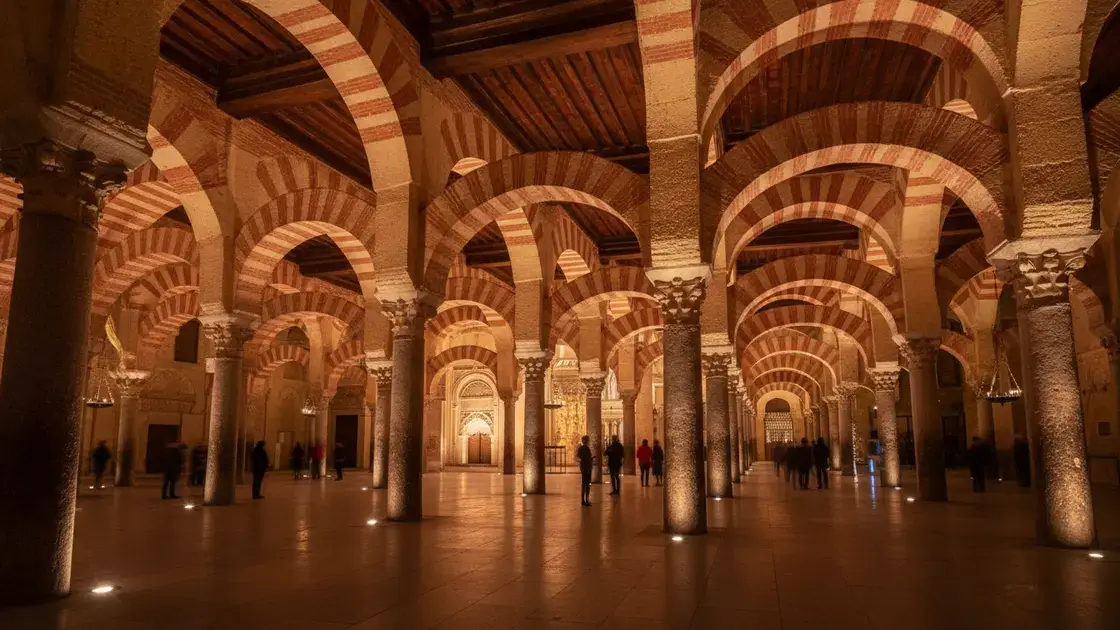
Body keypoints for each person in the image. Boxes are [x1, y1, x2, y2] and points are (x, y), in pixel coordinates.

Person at [576, 435, 593, 506]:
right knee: (588, 484)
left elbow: (578, 457)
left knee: (583, 483)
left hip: (583, 467)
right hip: (587, 467)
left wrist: (581, 463)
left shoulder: (580, 448)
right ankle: (587, 500)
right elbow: (589, 458)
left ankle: (583, 500)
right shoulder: (587, 449)